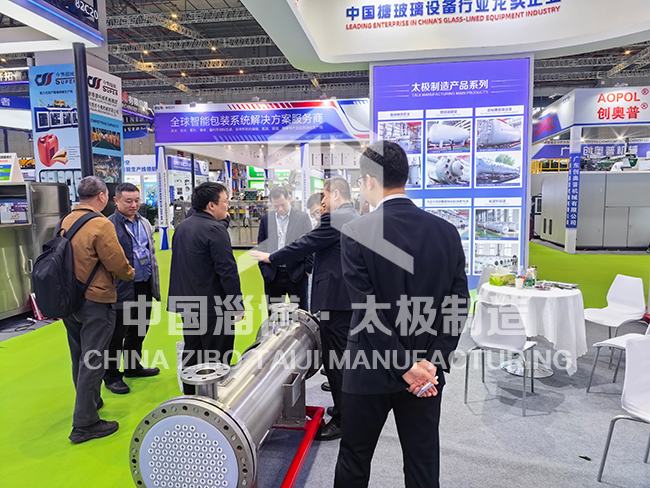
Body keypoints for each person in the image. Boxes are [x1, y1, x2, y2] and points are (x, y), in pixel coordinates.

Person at [334, 141, 469, 487]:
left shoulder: (356, 231)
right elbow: (458, 303)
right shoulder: (446, 232)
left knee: (354, 460)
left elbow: (367, 308)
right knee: (423, 465)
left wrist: (404, 366)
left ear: (369, 180)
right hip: (426, 374)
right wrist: (430, 363)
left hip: (368, 368)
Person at [251, 178, 358, 441]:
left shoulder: (335, 218)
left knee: (335, 360)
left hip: (336, 301)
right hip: (345, 298)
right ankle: (344, 409)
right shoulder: (352, 215)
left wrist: (271, 257)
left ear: (336, 194)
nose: (323, 202)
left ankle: (343, 420)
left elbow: (306, 243)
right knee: (340, 357)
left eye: (325, 196)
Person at [60, 176, 135, 443]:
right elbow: (117, 263)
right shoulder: (101, 224)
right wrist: (130, 273)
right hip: (96, 300)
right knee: (93, 360)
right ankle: (85, 423)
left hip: (69, 300)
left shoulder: (66, 220)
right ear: (102, 196)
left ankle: (90, 402)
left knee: (79, 355)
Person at [168, 182, 243, 395]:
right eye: (225, 201)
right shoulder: (214, 230)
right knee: (218, 355)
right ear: (211, 205)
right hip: (213, 306)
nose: (228, 206)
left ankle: (191, 396)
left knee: (193, 350)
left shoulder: (183, 226)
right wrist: (236, 305)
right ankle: (216, 400)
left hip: (188, 302)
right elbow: (227, 271)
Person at [103, 183, 161, 395]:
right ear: (116, 201)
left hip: (144, 284)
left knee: (139, 329)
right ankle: (111, 376)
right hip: (121, 288)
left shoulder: (144, 223)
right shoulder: (108, 225)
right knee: (116, 335)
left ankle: (132, 366)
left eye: (137, 200)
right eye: (128, 201)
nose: (134, 205)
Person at [256, 186, 313, 312]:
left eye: (283, 205)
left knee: (300, 314)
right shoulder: (266, 219)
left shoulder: (302, 217)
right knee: (274, 315)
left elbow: (309, 245)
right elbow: (262, 246)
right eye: (276, 206)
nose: (280, 209)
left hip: (297, 273)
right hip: (273, 274)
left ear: (289, 199)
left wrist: (307, 270)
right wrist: (264, 269)